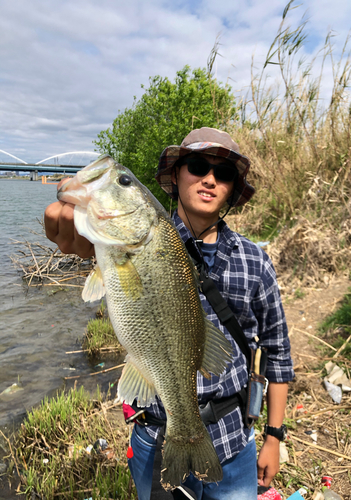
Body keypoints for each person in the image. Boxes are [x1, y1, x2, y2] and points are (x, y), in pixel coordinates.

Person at [44, 127, 294, 500]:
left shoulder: (255, 261)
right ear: (176, 176)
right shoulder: (126, 238)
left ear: (231, 189)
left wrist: (273, 437)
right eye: (196, 165)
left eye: (223, 173)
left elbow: (277, 351)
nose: (209, 178)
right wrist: (74, 235)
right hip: (154, 438)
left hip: (234, 440)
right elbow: (80, 242)